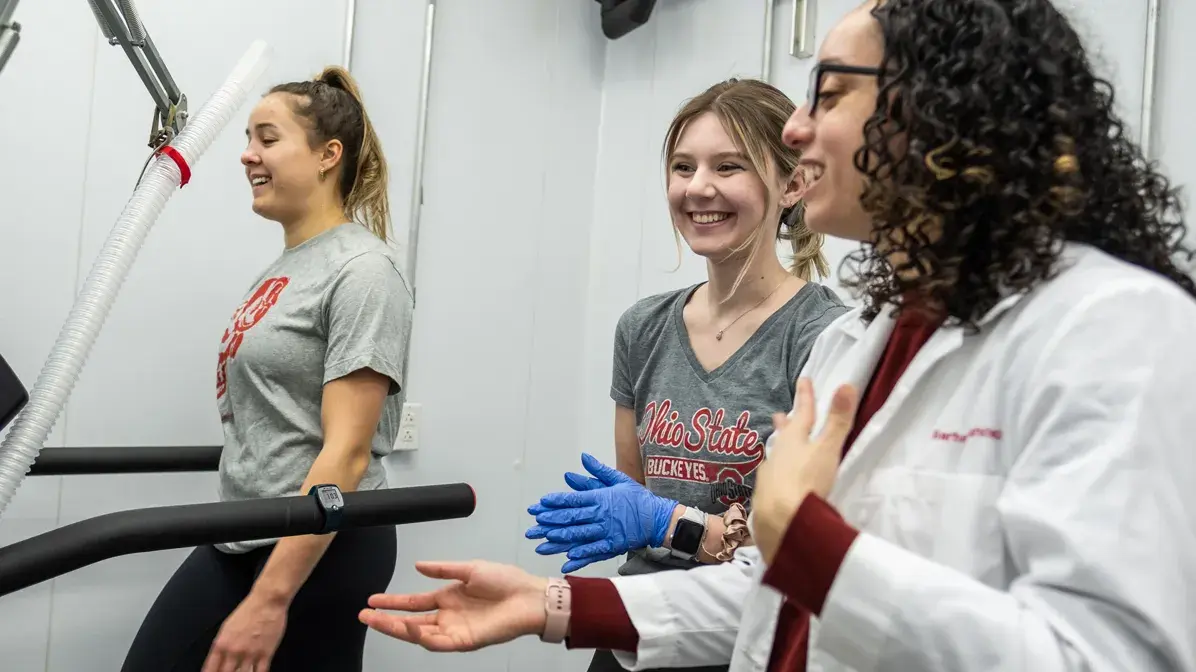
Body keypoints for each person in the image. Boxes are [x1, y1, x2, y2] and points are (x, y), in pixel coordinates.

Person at [357, 0, 1196, 670]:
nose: (796, 130)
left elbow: (1106, 655)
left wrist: (807, 541)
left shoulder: (1114, 328)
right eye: (683, 168)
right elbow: (771, 593)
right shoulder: (862, 340)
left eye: (828, 96)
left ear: (942, 111)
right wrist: (552, 605)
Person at [524, 77, 848, 672]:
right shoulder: (642, 327)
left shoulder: (825, 336)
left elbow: (796, 538)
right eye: (682, 166)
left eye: (729, 167)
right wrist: (656, 521)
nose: (698, 188)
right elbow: (636, 494)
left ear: (792, 184)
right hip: (633, 626)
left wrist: (671, 523)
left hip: (740, 637)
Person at [121, 66, 412, 672]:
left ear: (328, 155)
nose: (248, 156)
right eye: (248, 139)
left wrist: (269, 599)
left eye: (267, 138)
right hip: (245, 528)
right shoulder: (287, 268)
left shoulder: (363, 271)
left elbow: (348, 455)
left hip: (318, 545)